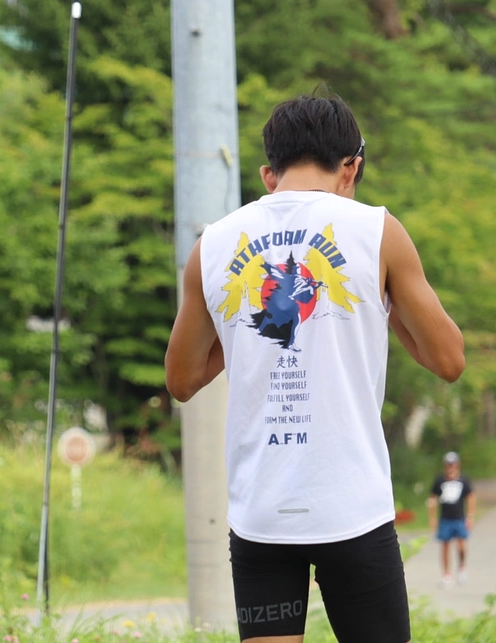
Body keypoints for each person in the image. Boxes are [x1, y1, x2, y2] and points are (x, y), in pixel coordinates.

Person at [164, 94, 465, 643]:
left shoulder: (212, 244)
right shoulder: (377, 230)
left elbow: (181, 381)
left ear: (267, 173)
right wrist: (383, 301)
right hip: (353, 506)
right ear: (351, 166)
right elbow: (448, 360)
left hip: (261, 513)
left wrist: (246, 331)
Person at [427, 451, 476, 587]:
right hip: (445, 519)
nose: (450, 467)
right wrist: (432, 517)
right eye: (448, 465)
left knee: (461, 546)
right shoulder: (440, 481)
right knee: (445, 546)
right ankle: (446, 574)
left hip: (459, 518)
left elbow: (471, 498)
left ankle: (461, 567)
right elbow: (433, 499)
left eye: (453, 464)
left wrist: (470, 516)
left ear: (457, 465)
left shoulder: (463, 480)